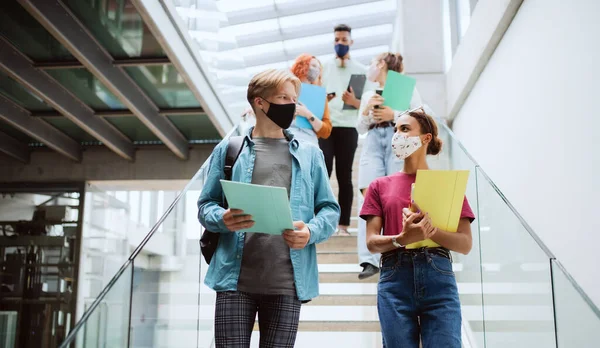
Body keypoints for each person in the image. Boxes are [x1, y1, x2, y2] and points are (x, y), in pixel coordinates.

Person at [197, 69, 340, 348]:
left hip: (287, 283)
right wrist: (222, 218)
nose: (291, 105)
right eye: (283, 97)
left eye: (294, 98)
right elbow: (205, 205)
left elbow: (329, 209)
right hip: (233, 281)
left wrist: (310, 231)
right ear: (260, 102)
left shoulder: (310, 153)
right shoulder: (229, 150)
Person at [360, 108, 474, 348]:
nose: (396, 136)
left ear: (426, 138)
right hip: (394, 278)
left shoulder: (447, 185)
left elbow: (465, 244)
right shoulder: (379, 186)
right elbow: (371, 241)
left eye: (404, 129)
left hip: (438, 277)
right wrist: (402, 237)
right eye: (395, 130)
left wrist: (430, 232)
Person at [355, 52, 422, 279]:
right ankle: (369, 260)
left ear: (382, 64)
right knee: (368, 197)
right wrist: (367, 112)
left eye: (373, 63)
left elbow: (421, 117)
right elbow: (360, 128)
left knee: (397, 196)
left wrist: (393, 114)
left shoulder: (406, 89)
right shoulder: (367, 94)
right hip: (373, 140)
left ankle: (397, 251)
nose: (370, 68)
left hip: (398, 140)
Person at [320, 24, 368, 236]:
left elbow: (365, 105)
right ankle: (322, 220)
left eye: (344, 40)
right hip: (328, 125)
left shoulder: (360, 69)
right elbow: (315, 96)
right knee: (324, 172)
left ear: (351, 42)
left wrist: (354, 101)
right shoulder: (323, 67)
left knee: (344, 176)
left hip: (349, 127)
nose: (340, 43)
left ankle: (343, 225)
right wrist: (324, 100)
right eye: (337, 40)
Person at [288, 54, 333, 145]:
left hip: (309, 142)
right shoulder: (287, 89)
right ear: (302, 66)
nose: (316, 70)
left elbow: (326, 131)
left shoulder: (320, 96)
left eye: (319, 68)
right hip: (288, 140)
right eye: (313, 65)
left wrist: (308, 114)